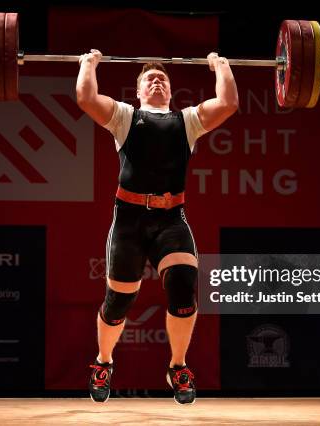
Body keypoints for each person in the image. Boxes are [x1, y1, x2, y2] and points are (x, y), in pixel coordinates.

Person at [76, 48, 238, 404]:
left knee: (184, 285)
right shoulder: (125, 117)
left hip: (171, 219)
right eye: (149, 78)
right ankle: (104, 361)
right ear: (138, 91)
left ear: (170, 90)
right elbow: (86, 97)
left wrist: (219, 65)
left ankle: (177, 367)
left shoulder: (188, 121)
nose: (157, 80)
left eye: (162, 78)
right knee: (118, 301)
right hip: (129, 222)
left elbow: (227, 103)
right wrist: (89, 64)